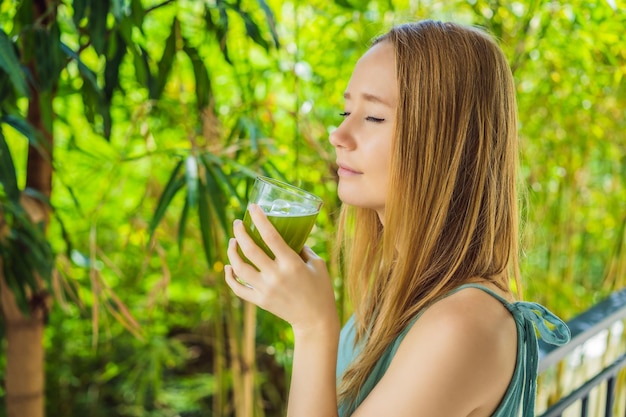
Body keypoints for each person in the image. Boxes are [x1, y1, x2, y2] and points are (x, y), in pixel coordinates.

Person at [225, 19, 570, 417]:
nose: (338, 133)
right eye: (346, 110)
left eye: (373, 117)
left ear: (446, 143)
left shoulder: (461, 325)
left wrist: (313, 328)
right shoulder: (398, 288)